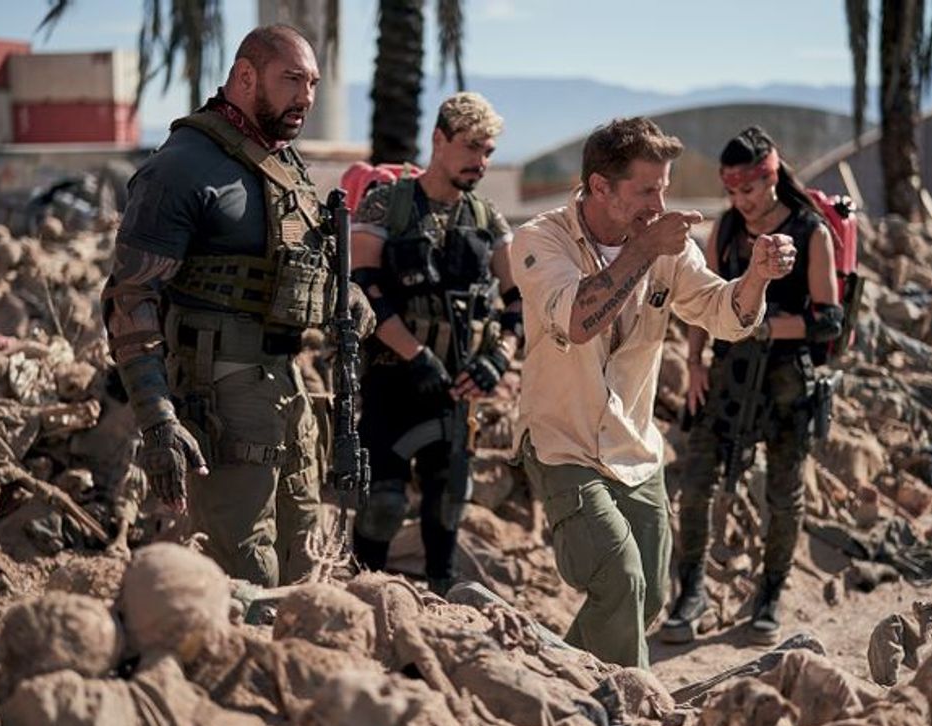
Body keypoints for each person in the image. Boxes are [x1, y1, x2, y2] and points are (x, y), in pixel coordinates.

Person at [510, 117, 795, 668]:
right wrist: (644, 250)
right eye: (646, 191)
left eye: (663, 189)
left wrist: (757, 277)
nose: (659, 204)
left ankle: (558, 674)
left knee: (649, 596)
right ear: (600, 186)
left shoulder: (665, 246)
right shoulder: (541, 240)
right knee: (619, 578)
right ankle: (632, 704)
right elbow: (576, 320)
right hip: (562, 443)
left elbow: (721, 313)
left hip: (634, 447)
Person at [101, 25, 371, 589]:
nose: (306, 97)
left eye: (313, 83)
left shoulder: (282, 164)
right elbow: (130, 298)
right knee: (245, 571)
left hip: (287, 386)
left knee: (307, 560)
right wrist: (158, 419)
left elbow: (296, 260)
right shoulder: (181, 168)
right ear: (246, 77)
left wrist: (345, 294)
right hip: (220, 393)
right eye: (291, 79)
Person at [660, 125, 842, 646]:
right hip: (727, 375)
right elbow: (704, 300)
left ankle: (770, 596)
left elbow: (828, 320)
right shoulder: (726, 229)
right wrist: (694, 362)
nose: (741, 200)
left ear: (771, 178)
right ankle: (691, 593)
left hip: (786, 381)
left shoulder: (810, 232)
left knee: (784, 494)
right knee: (696, 485)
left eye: (749, 189)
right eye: (732, 191)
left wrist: (765, 328)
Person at [349, 93, 520, 596]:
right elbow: (364, 290)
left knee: (448, 504)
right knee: (383, 503)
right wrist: (416, 355)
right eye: (470, 147)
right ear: (439, 140)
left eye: (488, 151)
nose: (480, 161)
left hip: (458, 389)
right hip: (393, 380)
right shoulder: (388, 203)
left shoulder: (488, 219)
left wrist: (498, 359)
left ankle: (442, 599)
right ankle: (364, 595)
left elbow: (518, 303)